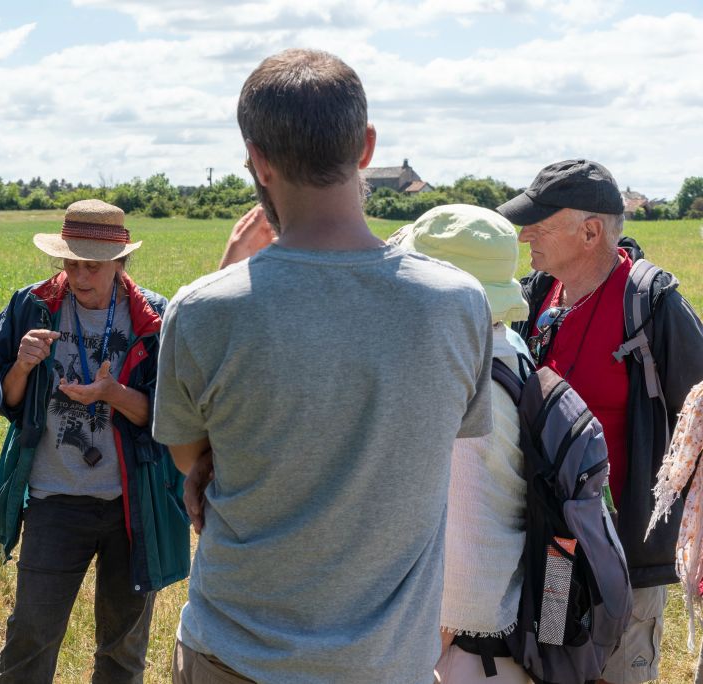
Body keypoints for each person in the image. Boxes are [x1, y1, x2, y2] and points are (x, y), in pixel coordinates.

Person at [153, 48, 495, 684]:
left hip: (233, 654)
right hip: (387, 662)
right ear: (366, 147)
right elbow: (440, 444)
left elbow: (189, 458)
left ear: (257, 158)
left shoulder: (202, 310)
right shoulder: (458, 303)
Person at [499, 159, 703, 684]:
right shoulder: (534, 296)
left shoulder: (652, 305)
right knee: (559, 666)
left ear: (590, 231)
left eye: (540, 224)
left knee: (621, 676)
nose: (525, 236)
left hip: (625, 564)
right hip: (554, 551)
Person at [0, 198, 190, 683]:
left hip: (131, 503)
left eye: (93, 266)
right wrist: (22, 365)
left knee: (122, 650)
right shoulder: (31, 306)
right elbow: (4, 401)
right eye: (71, 263)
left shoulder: (154, 319)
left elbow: (167, 418)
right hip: (55, 500)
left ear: (120, 264)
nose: (79, 276)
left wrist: (113, 394)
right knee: (30, 640)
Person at [388, 204, 533, 683]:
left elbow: (466, 528)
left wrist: (432, 650)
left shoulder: (460, 376)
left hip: (468, 649)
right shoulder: (510, 348)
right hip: (507, 631)